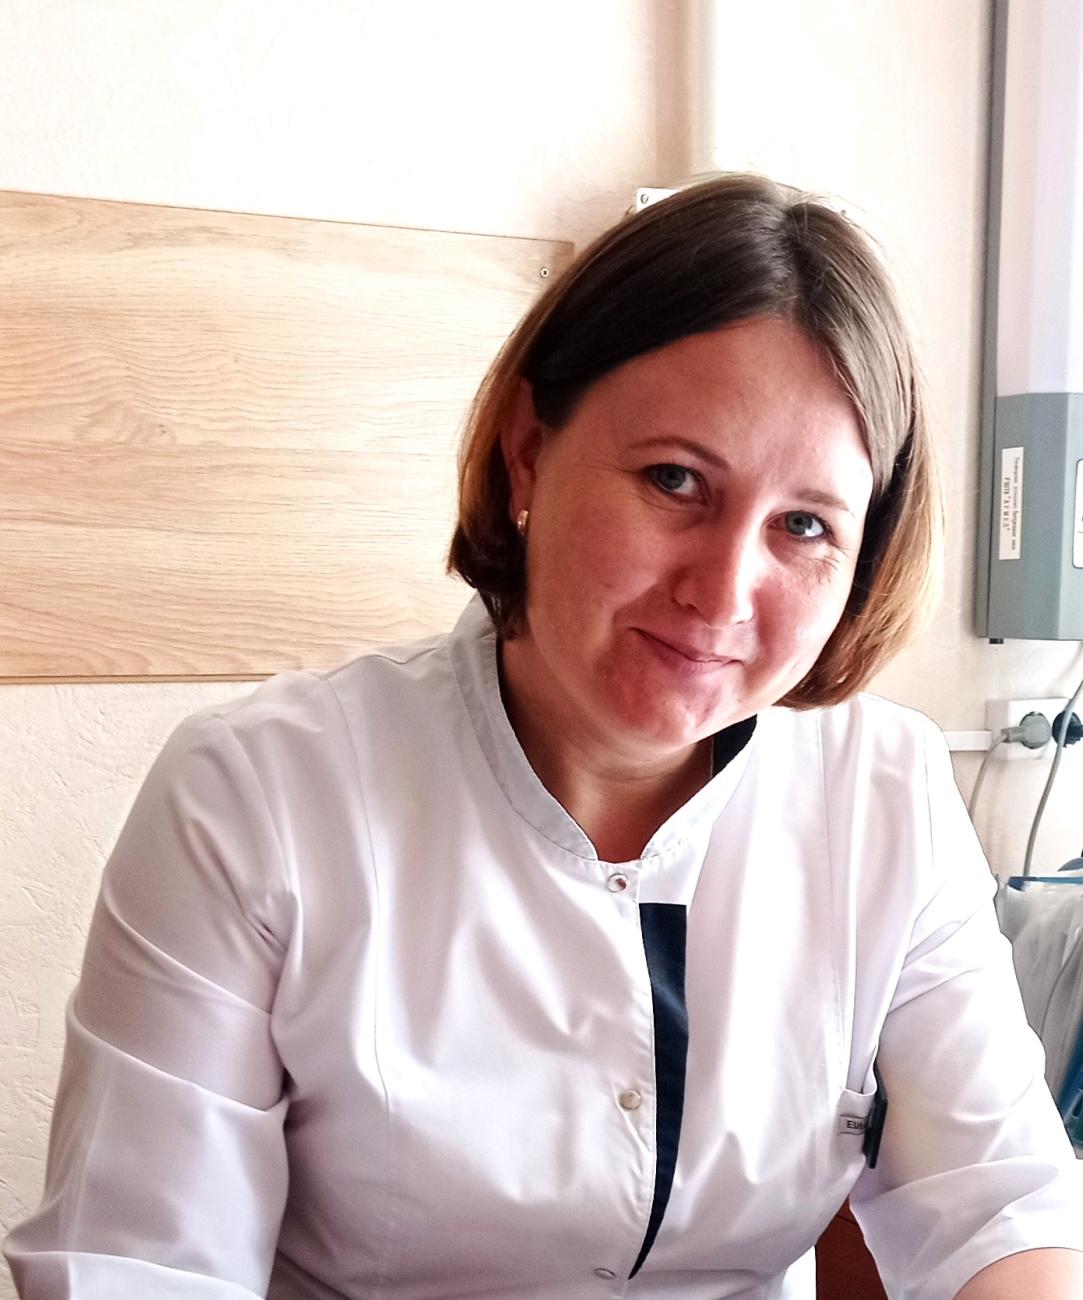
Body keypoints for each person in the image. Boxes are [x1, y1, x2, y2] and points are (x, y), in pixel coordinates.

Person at [6, 173, 1083, 1300]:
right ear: (527, 450)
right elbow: (140, 1267)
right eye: (675, 480)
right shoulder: (258, 794)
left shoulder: (885, 791)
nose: (723, 593)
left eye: (804, 526)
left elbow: (1001, 1204)